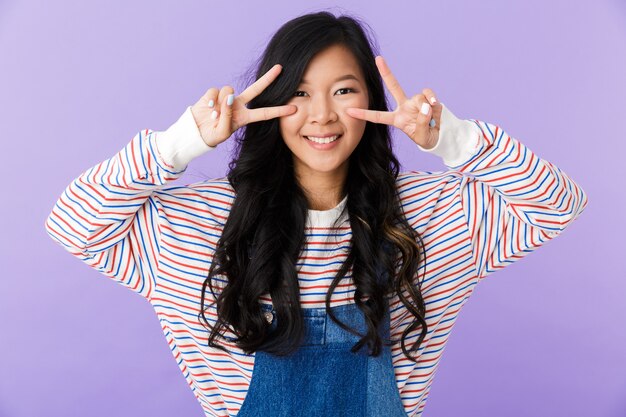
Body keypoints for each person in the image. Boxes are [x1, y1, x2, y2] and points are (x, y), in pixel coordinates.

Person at [44, 10, 588, 417]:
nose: (323, 114)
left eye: (343, 91)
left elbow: (557, 204)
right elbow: (72, 223)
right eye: (299, 94)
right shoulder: (200, 224)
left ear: (372, 102)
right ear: (272, 104)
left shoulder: (430, 216)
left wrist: (453, 137)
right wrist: (180, 143)